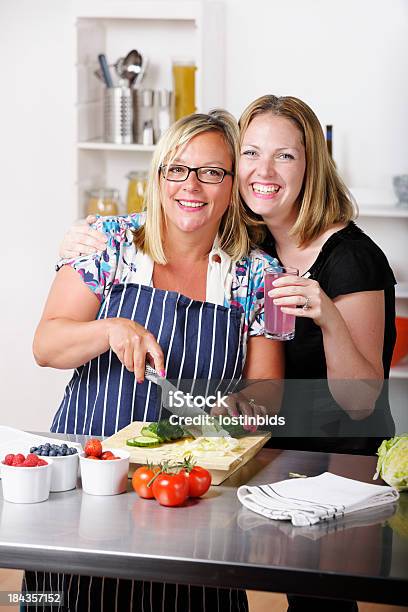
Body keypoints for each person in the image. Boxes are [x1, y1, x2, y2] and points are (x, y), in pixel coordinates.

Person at [31, 110, 283, 612]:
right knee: (64, 602)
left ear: (233, 184)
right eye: (177, 168)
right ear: (159, 174)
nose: (192, 185)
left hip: (190, 493)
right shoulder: (108, 244)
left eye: (211, 172)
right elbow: (46, 346)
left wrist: (238, 409)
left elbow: (270, 392)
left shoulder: (263, 276)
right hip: (88, 479)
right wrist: (109, 328)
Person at [238, 95, 396, 456]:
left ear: (311, 167)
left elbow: (360, 404)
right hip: (269, 459)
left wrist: (328, 317)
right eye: (251, 153)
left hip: (342, 465)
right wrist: (93, 234)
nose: (264, 170)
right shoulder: (254, 246)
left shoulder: (352, 259)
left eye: (285, 156)